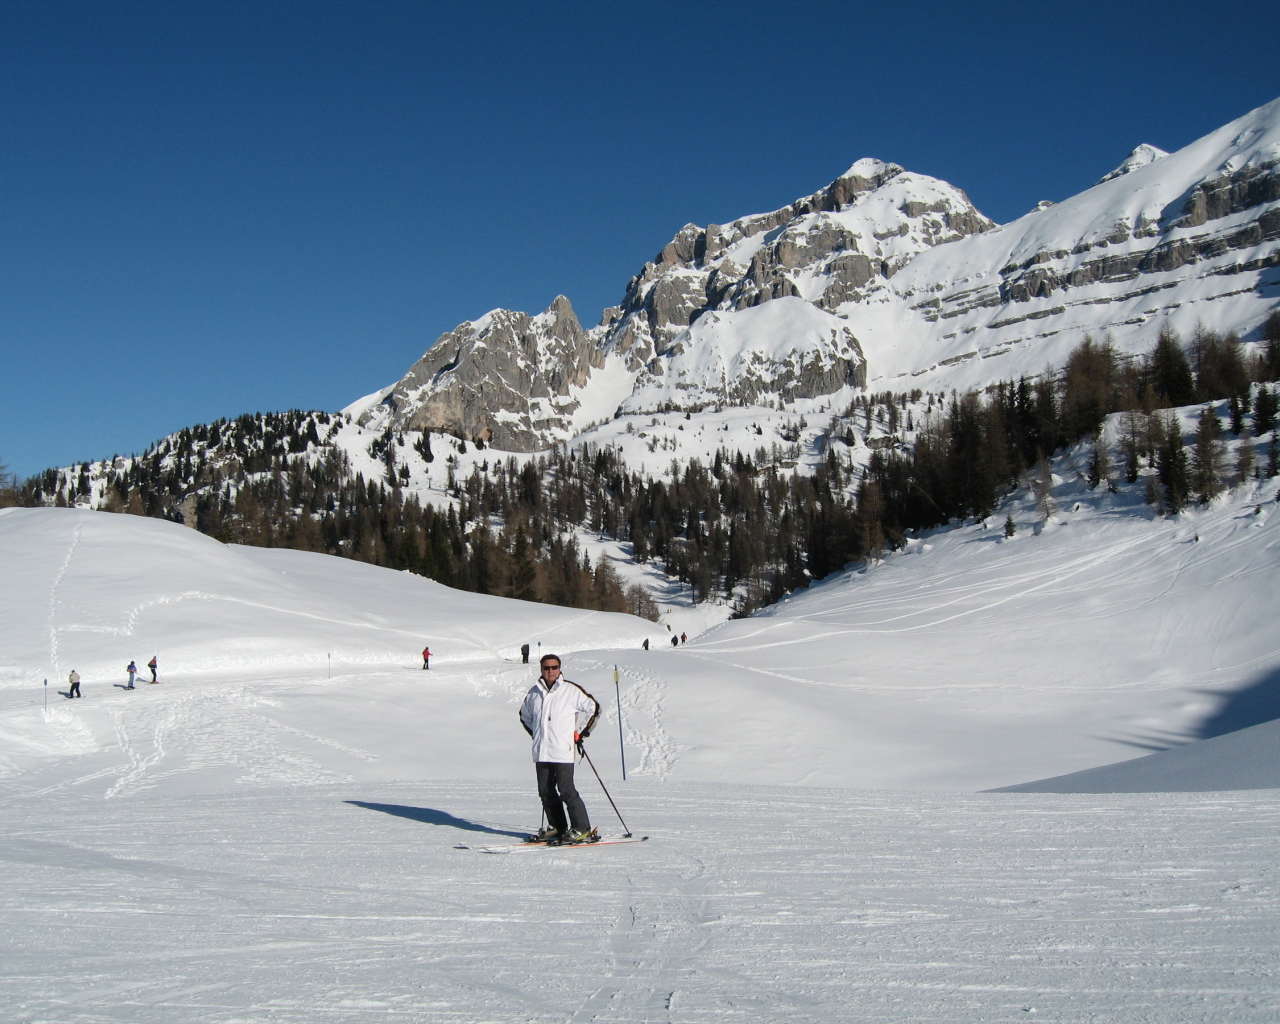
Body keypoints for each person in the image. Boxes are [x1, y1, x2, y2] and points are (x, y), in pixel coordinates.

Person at [518, 654, 600, 844]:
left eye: (554, 667)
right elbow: (525, 716)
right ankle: (559, 827)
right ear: (541, 669)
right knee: (545, 791)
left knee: (566, 790)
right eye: (546, 668)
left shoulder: (570, 690)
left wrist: (580, 733)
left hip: (562, 750)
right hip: (542, 751)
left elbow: (593, 708)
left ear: (560, 668)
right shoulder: (534, 693)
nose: (550, 671)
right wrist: (539, 734)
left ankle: (582, 828)